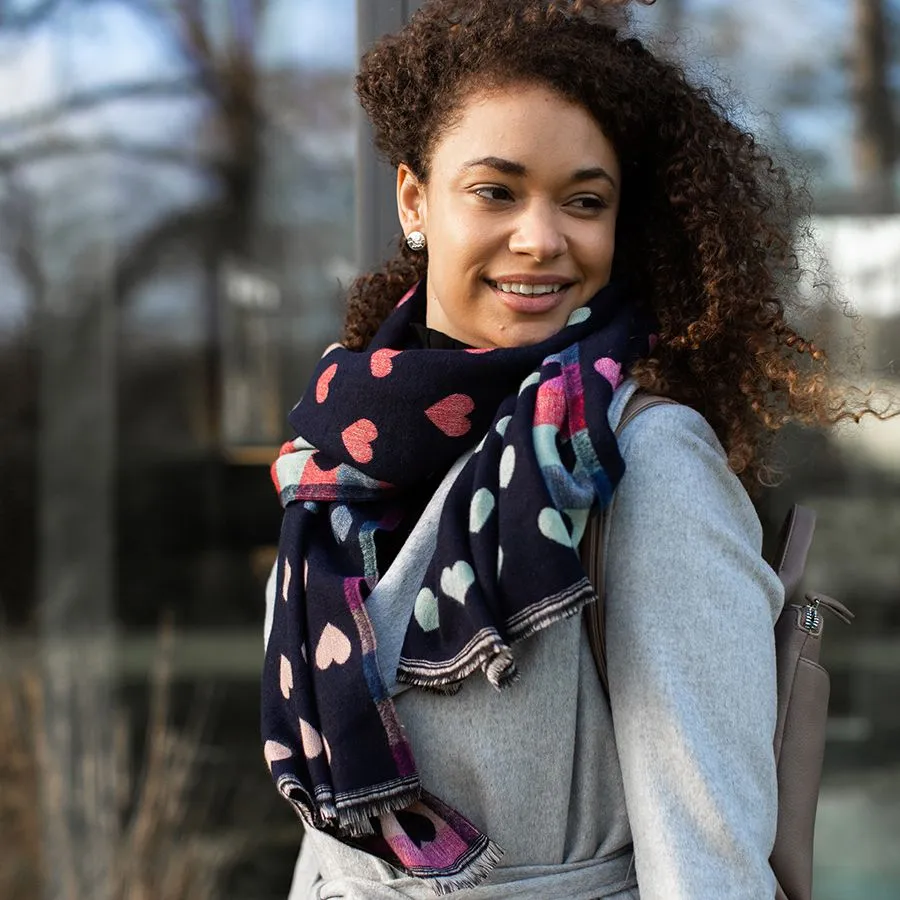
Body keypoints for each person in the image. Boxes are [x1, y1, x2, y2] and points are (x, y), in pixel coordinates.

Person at [261, 1, 873, 897]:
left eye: (584, 201)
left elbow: (709, 861)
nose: (542, 238)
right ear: (413, 200)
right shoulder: (340, 454)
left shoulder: (644, 461)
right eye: (497, 191)